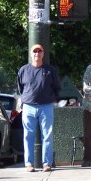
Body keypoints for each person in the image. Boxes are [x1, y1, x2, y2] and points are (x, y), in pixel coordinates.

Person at [17, 44, 61, 173]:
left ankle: (46, 163)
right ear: (31, 54)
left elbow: (57, 87)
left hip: (46, 106)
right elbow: (20, 88)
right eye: (34, 51)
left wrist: (52, 99)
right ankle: (29, 164)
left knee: (47, 135)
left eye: (39, 51)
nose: (37, 53)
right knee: (28, 136)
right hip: (28, 107)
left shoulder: (50, 70)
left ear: (43, 54)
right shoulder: (23, 70)